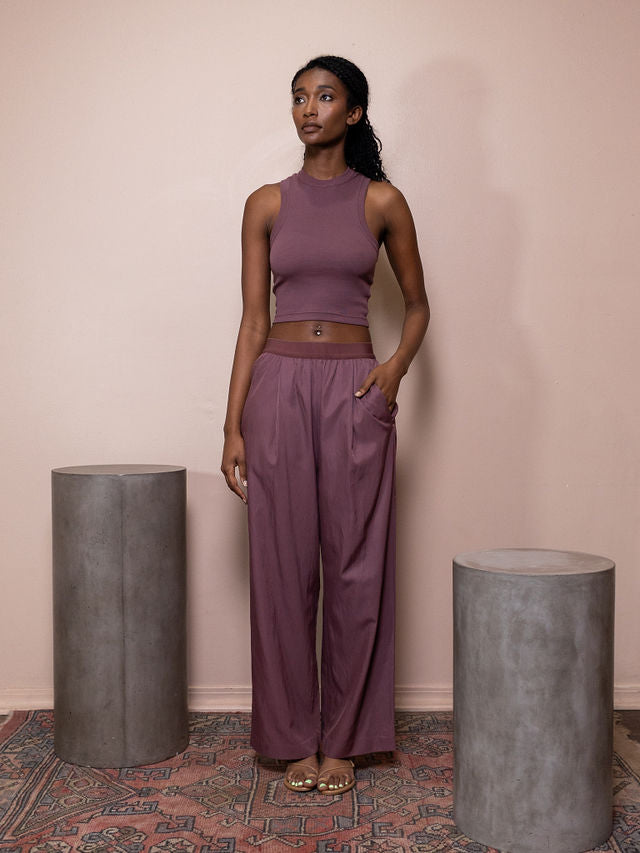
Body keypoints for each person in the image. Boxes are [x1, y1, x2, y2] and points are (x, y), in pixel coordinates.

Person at [221, 55, 429, 795]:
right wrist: (231, 426)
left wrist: (396, 368)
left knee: (355, 564)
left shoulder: (382, 201)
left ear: (355, 112)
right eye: (300, 97)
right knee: (281, 567)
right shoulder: (265, 203)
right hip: (276, 386)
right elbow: (252, 321)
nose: (309, 108)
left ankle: (342, 738)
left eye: (326, 96)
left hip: (354, 387)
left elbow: (417, 305)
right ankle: (288, 736)